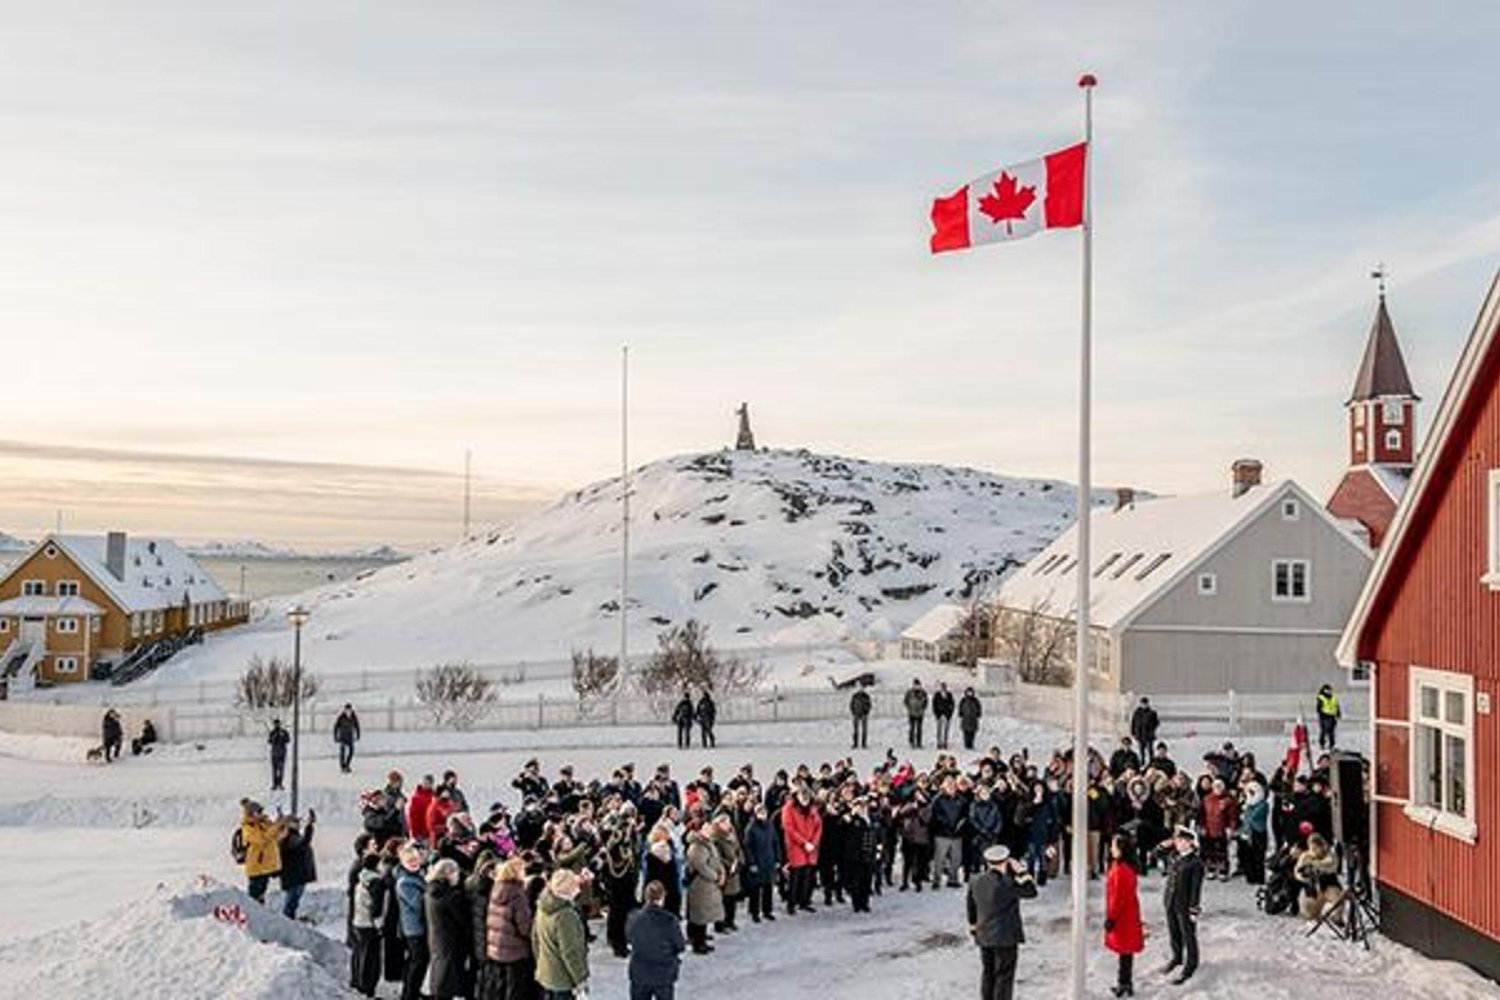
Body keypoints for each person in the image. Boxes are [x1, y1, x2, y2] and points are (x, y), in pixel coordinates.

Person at [966, 844, 1038, 1000]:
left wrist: (974, 927)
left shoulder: (976, 880)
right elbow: (1031, 891)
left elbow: (971, 906)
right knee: (1004, 977)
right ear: (1006, 861)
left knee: (988, 973)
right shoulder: (1007, 884)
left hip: (984, 935)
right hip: (1006, 938)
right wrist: (1022, 872)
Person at [533, 868, 590, 1000]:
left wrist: (541, 964)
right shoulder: (565, 915)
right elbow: (570, 952)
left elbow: (535, 939)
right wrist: (580, 979)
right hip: (563, 980)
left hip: (546, 973)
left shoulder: (543, 905)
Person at [486, 856, 536, 1000]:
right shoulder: (517, 894)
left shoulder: (496, 889)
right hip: (514, 949)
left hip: (497, 947)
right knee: (515, 988)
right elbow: (524, 926)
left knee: (501, 985)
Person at [1160, 826, 1204, 986]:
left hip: (1184, 905)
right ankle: (1177, 957)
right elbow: (1156, 854)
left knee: (1188, 935)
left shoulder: (1195, 863)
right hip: (1170, 901)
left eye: (1180, 840)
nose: (1177, 843)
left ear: (1190, 842)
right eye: (1176, 840)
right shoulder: (1174, 856)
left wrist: (1194, 908)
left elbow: (1195, 888)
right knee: (1174, 933)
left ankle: (1191, 964)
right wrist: (1163, 846)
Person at [627, 880, 686, 1000]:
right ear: (662, 897)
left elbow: (629, 938)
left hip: (639, 972)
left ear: (645, 896)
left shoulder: (633, 917)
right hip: (663, 974)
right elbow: (680, 946)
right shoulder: (670, 920)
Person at [1103, 834, 1144, 998]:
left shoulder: (1121, 870)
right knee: (1125, 953)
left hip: (1122, 917)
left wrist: (1111, 918)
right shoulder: (1123, 866)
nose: (1111, 849)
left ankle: (1124, 983)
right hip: (1127, 914)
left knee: (1125, 951)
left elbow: (1118, 898)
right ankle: (1125, 982)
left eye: (1113, 846)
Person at [425, 858, 470, 1000]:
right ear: (448, 874)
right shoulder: (450, 896)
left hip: (437, 936)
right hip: (450, 938)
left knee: (439, 969)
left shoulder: (431, 890)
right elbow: (463, 919)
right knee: (448, 976)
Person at [350, 849, 388, 997]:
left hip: (359, 922)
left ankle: (359, 984)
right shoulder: (376, 882)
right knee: (371, 959)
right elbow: (376, 908)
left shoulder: (362, 878)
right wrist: (379, 926)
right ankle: (367, 989)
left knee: (362, 954)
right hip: (369, 925)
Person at [395, 842, 429, 1000]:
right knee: (418, 961)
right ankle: (409, 993)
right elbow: (417, 904)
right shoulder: (405, 882)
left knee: (416, 960)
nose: (414, 864)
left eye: (416, 860)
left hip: (416, 926)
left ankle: (413, 990)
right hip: (414, 928)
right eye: (410, 862)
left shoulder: (416, 875)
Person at [684, 821, 725, 953]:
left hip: (708, 885)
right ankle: (698, 944)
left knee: (705, 914)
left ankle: (702, 939)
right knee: (699, 915)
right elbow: (701, 866)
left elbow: (716, 860)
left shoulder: (708, 843)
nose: (710, 830)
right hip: (700, 884)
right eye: (706, 828)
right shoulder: (696, 846)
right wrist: (715, 876)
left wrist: (721, 872)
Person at [781, 785, 823, 914]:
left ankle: (804, 901)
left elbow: (819, 826)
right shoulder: (789, 808)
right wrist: (804, 843)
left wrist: (813, 843)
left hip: (811, 847)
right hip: (796, 847)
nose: (805, 800)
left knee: (808, 876)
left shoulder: (812, 809)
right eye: (802, 797)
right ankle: (791, 904)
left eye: (807, 797)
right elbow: (789, 828)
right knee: (795, 877)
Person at [238, 799, 287, 903]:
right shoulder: (248, 827)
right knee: (254, 896)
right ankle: (253, 915)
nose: (261, 813)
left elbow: (277, 836)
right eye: (259, 811)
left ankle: (260, 914)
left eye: (261, 810)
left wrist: (281, 826)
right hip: (256, 866)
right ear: (251, 813)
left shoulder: (265, 822)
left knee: (261, 894)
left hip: (266, 866)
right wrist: (276, 826)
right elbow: (261, 839)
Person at [740, 802, 779, 923]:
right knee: (755, 890)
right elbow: (747, 847)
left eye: (764, 812)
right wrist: (751, 863)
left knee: (768, 888)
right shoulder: (750, 828)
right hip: (757, 862)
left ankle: (767, 911)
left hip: (769, 861)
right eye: (760, 812)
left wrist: (777, 859)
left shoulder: (770, 825)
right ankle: (754, 912)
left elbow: (775, 843)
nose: (762, 815)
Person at [279, 809, 318, 919]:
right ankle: (287, 923)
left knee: (293, 902)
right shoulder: (289, 838)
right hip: (294, 877)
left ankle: (289, 922)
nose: (298, 824)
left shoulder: (293, 836)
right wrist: (309, 826)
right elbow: (304, 842)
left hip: (297, 876)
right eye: (295, 822)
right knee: (291, 903)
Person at [334, 704, 361, 773]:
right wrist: (336, 736)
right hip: (342, 736)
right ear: (345, 710)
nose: (348, 711)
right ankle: (343, 766)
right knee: (342, 752)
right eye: (347, 710)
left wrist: (358, 734)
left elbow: (357, 726)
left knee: (351, 751)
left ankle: (347, 765)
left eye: (349, 710)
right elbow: (336, 727)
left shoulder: (353, 716)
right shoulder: (341, 717)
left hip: (350, 736)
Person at [904, 679, 929, 749]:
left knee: (919, 728)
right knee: (912, 728)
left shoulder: (923, 692)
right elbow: (905, 701)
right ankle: (912, 742)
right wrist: (909, 708)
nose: (917, 686)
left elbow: (926, 701)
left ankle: (919, 742)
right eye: (915, 685)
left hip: (920, 713)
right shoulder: (909, 692)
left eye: (918, 685)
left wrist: (923, 708)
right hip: (912, 713)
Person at [1315, 684, 1341, 750]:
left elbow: (1337, 706)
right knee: (1324, 730)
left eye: (1330, 690)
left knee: (1331, 731)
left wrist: (1338, 713)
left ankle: (1332, 744)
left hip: (1332, 716)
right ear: (1324, 690)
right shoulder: (1321, 697)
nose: (1329, 691)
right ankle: (1322, 744)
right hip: (1324, 716)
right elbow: (1318, 708)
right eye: (1327, 690)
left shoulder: (1334, 697)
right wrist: (1320, 713)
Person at [268, 719, 290, 791]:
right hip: (274, 753)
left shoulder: (283, 732)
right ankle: (274, 784)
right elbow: (269, 741)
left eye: (278, 724)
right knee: (274, 770)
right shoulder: (272, 732)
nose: (277, 725)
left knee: (281, 769)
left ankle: (280, 783)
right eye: (275, 724)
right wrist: (274, 737)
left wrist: (282, 736)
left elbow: (288, 740)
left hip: (282, 753)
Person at [932, 682, 956, 749]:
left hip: (947, 715)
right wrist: (936, 714)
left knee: (946, 730)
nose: (943, 688)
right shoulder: (937, 694)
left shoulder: (949, 695)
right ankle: (939, 743)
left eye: (944, 687)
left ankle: (945, 742)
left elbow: (952, 704)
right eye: (942, 687)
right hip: (939, 714)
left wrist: (950, 714)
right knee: (939, 730)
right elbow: (934, 704)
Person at [849, 685, 872, 750]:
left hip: (864, 714)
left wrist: (866, 712)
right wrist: (853, 712)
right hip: (856, 714)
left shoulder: (866, 696)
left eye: (861, 688)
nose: (860, 690)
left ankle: (864, 744)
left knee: (864, 730)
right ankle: (855, 743)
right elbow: (851, 704)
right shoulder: (854, 696)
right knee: (855, 730)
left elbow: (869, 705)